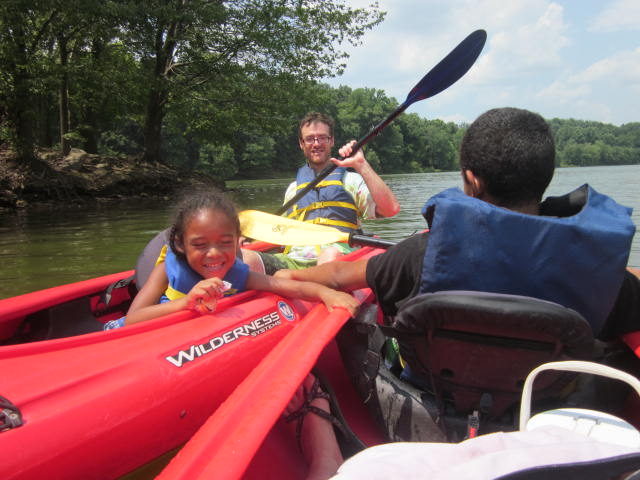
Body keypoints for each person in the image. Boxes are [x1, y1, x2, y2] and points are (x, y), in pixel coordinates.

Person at [279, 107, 640, 478]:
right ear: (546, 178)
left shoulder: (423, 252)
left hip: (429, 410)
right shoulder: (597, 271)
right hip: (550, 412)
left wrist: (272, 277)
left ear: (472, 180)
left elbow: (337, 276)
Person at [103, 189, 359, 329]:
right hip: (136, 334)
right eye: (200, 245)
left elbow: (288, 286)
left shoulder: (238, 274)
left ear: (238, 241)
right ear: (181, 244)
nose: (214, 254)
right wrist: (186, 303)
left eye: (225, 243)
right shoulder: (166, 270)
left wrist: (328, 294)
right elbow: (133, 319)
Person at [242, 112, 400, 274]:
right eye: (310, 139)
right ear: (301, 144)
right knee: (245, 258)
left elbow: (391, 209)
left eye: (322, 137)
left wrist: (361, 164)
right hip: (294, 260)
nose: (316, 143)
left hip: (338, 258)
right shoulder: (293, 189)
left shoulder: (351, 181)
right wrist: (248, 240)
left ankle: (319, 289)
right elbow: (278, 231)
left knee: (329, 256)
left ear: (331, 141)